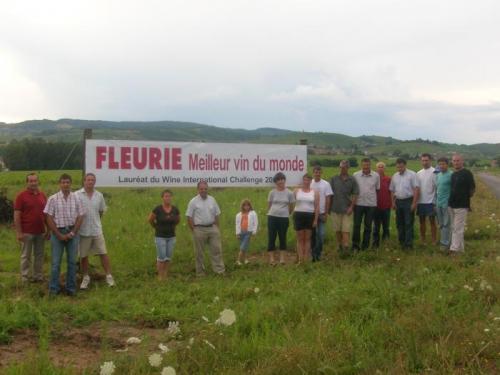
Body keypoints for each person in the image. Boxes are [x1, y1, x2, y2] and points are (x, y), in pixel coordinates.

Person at [44, 173, 85, 296]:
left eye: (68, 182)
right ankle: (53, 290)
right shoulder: (53, 199)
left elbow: (81, 216)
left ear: (70, 184)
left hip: (73, 232)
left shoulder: (77, 198)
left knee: (72, 262)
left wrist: (73, 232)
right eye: (63, 182)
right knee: (56, 263)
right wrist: (57, 234)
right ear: (60, 184)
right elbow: (48, 217)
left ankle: (71, 289)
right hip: (58, 233)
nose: (65, 184)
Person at [77, 173, 115, 289]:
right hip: (83, 231)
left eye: (92, 180)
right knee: (83, 256)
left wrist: (96, 221)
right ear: (84, 181)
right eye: (88, 180)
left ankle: (108, 276)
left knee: (103, 253)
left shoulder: (99, 195)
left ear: (95, 182)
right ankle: (85, 277)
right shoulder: (77, 195)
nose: (90, 182)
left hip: (97, 230)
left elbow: (101, 211)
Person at [14, 173, 48, 283]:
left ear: (38, 182)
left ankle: (38, 276)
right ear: (27, 182)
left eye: (35, 181)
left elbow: (46, 215)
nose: (33, 183)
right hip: (26, 232)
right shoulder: (21, 196)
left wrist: (49, 230)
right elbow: (17, 215)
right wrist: (19, 232)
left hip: (40, 231)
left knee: (39, 255)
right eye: (31, 181)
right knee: (26, 256)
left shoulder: (42, 195)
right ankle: (25, 278)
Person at [186, 181, 225, 276]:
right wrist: (194, 230)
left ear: (207, 189)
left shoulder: (212, 200)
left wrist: (217, 228)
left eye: (205, 189)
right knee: (199, 253)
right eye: (201, 189)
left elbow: (216, 214)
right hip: (199, 229)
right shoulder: (193, 201)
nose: (203, 190)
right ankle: (200, 273)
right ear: (198, 189)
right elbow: (189, 217)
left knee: (217, 250)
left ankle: (219, 271)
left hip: (212, 228)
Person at [148, 189, 180, 280]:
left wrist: (172, 226)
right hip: (160, 237)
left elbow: (177, 220)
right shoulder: (157, 209)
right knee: (161, 257)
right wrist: (156, 227)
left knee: (168, 257)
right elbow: (150, 219)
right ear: (162, 198)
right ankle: (160, 276)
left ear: (171, 197)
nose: (168, 198)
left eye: (169, 196)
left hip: (171, 237)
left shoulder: (175, 209)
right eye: (166, 196)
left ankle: (165, 275)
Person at [330, 160, 359, 255]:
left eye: (345, 167)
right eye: (341, 167)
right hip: (335, 208)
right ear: (339, 167)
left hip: (347, 209)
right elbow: (329, 194)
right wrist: (328, 208)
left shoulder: (352, 179)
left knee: (346, 229)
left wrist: (351, 207)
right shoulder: (333, 179)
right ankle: (339, 245)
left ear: (348, 168)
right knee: (337, 230)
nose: (342, 169)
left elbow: (355, 194)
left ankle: (346, 247)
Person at [390, 158, 419, 250]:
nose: (399, 169)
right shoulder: (395, 176)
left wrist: (414, 203)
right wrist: (393, 202)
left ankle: (408, 244)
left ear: (405, 165)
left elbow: (416, 189)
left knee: (408, 223)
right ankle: (401, 242)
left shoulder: (412, 174)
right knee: (399, 223)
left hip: (408, 201)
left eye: (401, 167)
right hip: (398, 201)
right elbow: (392, 190)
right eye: (398, 167)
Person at [448, 154, 475, 254]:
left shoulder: (467, 173)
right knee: (455, 228)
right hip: (451, 204)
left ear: (462, 161)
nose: (456, 162)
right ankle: (461, 250)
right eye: (454, 161)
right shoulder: (453, 174)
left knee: (457, 228)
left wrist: (465, 198)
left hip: (462, 205)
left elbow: (472, 189)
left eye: (458, 160)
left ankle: (453, 250)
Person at [267, 172, 295, 265]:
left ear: (284, 180)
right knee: (272, 237)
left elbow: (291, 207)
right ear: (275, 182)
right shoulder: (272, 192)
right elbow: (269, 205)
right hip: (272, 217)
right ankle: (272, 259)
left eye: (282, 179)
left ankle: (282, 259)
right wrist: (272, 213)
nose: (280, 181)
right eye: (278, 180)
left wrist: (286, 214)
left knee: (282, 237)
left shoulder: (290, 193)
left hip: (283, 218)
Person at [352, 158, 380, 250]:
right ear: (361, 165)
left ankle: (365, 246)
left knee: (368, 226)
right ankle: (355, 246)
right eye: (364, 165)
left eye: (367, 165)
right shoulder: (355, 175)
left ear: (370, 165)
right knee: (356, 225)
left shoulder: (376, 176)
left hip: (371, 204)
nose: (366, 167)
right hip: (358, 204)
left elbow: (377, 189)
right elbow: (353, 190)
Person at [293, 174, 319, 263]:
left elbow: (317, 207)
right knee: (300, 238)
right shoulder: (296, 191)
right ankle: (300, 259)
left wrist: (315, 220)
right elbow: (292, 202)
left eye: (308, 180)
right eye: (304, 180)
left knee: (307, 239)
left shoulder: (315, 192)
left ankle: (305, 259)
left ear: (311, 181)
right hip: (298, 215)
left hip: (310, 216)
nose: (306, 182)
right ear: (302, 180)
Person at [310, 165, 333, 261]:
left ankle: (318, 253)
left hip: (322, 213)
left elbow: (328, 199)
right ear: (313, 173)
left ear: (321, 173)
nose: (317, 174)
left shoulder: (326, 184)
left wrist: (326, 213)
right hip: (311, 213)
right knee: (313, 235)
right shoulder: (310, 183)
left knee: (321, 234)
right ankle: (313, 254)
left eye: (319, 172)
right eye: (316, 172)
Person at [416, 153, 437, 245]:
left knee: (432, 222)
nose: (424, 162)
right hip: (421, 202)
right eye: (423, 160)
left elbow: (437, 187)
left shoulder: (435, 172)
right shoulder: (418, 173)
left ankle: (433, 240)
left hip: (431, 201)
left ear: (430, 160)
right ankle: (423, 240)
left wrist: (435, 201)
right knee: (422, 222)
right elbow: (416, 188)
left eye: (426, 160)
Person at [372, 162, 392, 248]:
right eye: (379, 167)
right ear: (376, 168)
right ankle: (375, 243)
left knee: (386, 226)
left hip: (386, 206)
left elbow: (391, 192)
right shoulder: (373, 179)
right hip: (376, 206)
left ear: (385, 168)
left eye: (382, 167)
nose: (380, 168)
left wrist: (392, 203)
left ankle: (386, 242)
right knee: (376, 226)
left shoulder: (388, 179)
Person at [435, 157, 453, 251]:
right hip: (438, 204)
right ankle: (444, 241)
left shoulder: (451, 175)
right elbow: (437, 190)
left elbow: (454, 190)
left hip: (447, 204)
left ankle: (445, 245)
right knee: (441, 224)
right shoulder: (438, 175)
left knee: (447, 224)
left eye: (443, 164)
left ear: (447, 164)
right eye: (440, 164)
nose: (441, 166)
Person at [235, 199, 258, 265]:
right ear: (242, 206)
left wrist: (254, 232)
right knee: (245, 247)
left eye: (248, 205)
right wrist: (237, 233)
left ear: (250, 206)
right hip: (241, 232)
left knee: (242, 247)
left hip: (248, 232)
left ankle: (238, 260)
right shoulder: (239, 214)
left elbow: (255, 223)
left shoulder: (253, 213)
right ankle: (245, 259)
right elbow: (237, 224)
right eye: (244, 205)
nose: (246, 207)